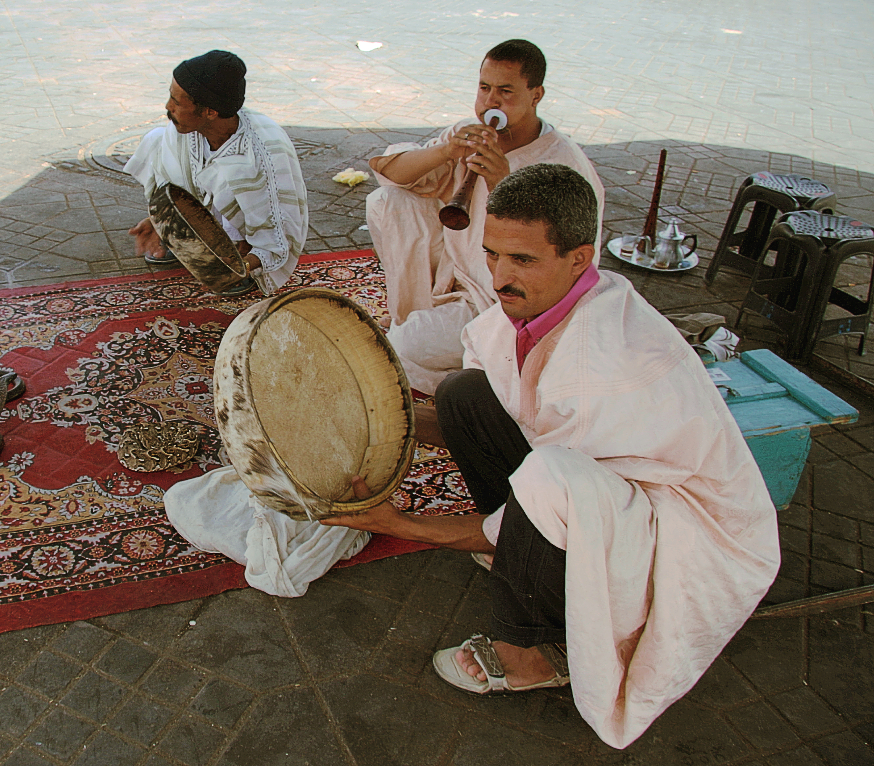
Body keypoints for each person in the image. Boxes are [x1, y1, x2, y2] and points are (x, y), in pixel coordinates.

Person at [322, 164, 779, 748]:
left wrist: (402, 525)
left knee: (547, 479)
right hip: (602, 486)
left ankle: (531, 653)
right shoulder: (548, 304)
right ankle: (523, 562)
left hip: (688, 533)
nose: (500, 276)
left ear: (579, 258)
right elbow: (515, 408)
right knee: (466, 394)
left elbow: (555, 486)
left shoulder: (597, 372)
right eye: (491, 255)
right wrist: (383, 427)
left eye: (523, 261)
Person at [365, 39, 604, 394]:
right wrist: (447, 150)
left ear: (536, 95)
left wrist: (501, 182)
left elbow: (561, 269)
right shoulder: (469, 132)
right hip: (458, 272)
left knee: (402, 347)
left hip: (505, 303)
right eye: (484, 88)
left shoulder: (565, 165)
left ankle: (490, 373)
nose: (491, 101)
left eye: (505, 91)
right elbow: (395, 172)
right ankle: (417, 318)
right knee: (387, 201)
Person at [124, 50, 309, 297]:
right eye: (171, 97)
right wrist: (162, 222)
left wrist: (234, 269)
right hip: (206, 205)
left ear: (210, 112)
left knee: (231, 178)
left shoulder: (264, 154)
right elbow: (180, 185)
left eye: (177, 102)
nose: (168, 107)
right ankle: (184, 241)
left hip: (254, 221)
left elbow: (279, 238)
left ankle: (240, 256)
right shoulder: (184, 130)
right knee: (157, 139)